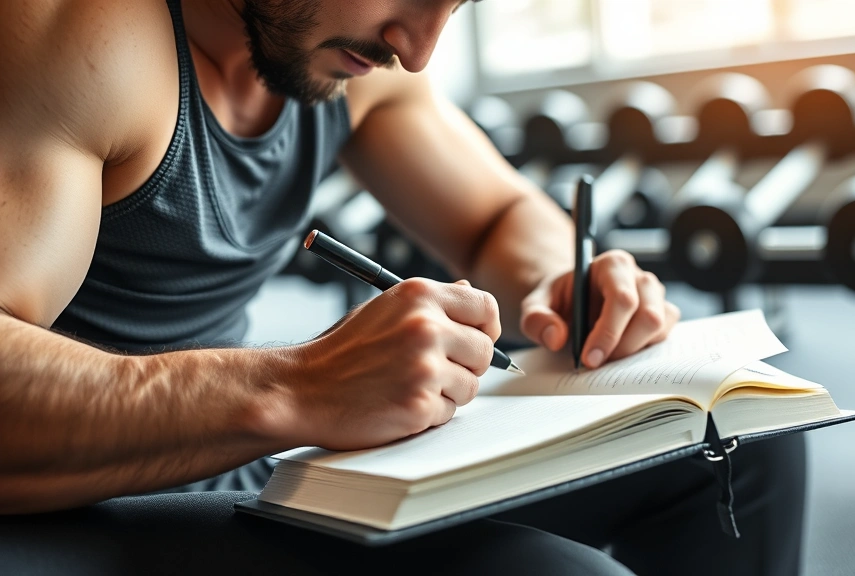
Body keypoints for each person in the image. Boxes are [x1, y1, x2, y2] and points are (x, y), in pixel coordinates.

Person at [0, 0, 807, 574]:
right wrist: (298, 384)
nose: (417, 49)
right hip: (79, 504)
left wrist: (564, 278)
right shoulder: (82, 31)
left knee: (733, 445)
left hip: (240, 464)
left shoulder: (348, 55)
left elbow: (495, 216)